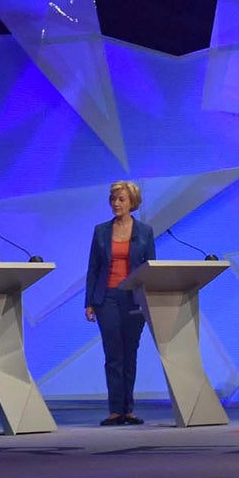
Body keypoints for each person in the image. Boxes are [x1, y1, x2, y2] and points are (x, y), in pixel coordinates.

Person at [84, 180, 156, 427]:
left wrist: (152, 302)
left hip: (134, 297)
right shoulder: (101, 231)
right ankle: (115, 410)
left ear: (132, 202)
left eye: (121, 199)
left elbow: (150, 269)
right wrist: (90, 302)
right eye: (113, 199)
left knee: (130, 353)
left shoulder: (145, 231)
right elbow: (93, 268)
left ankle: (129, 409)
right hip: (107, 297)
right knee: (113, 353)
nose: (116, 204)